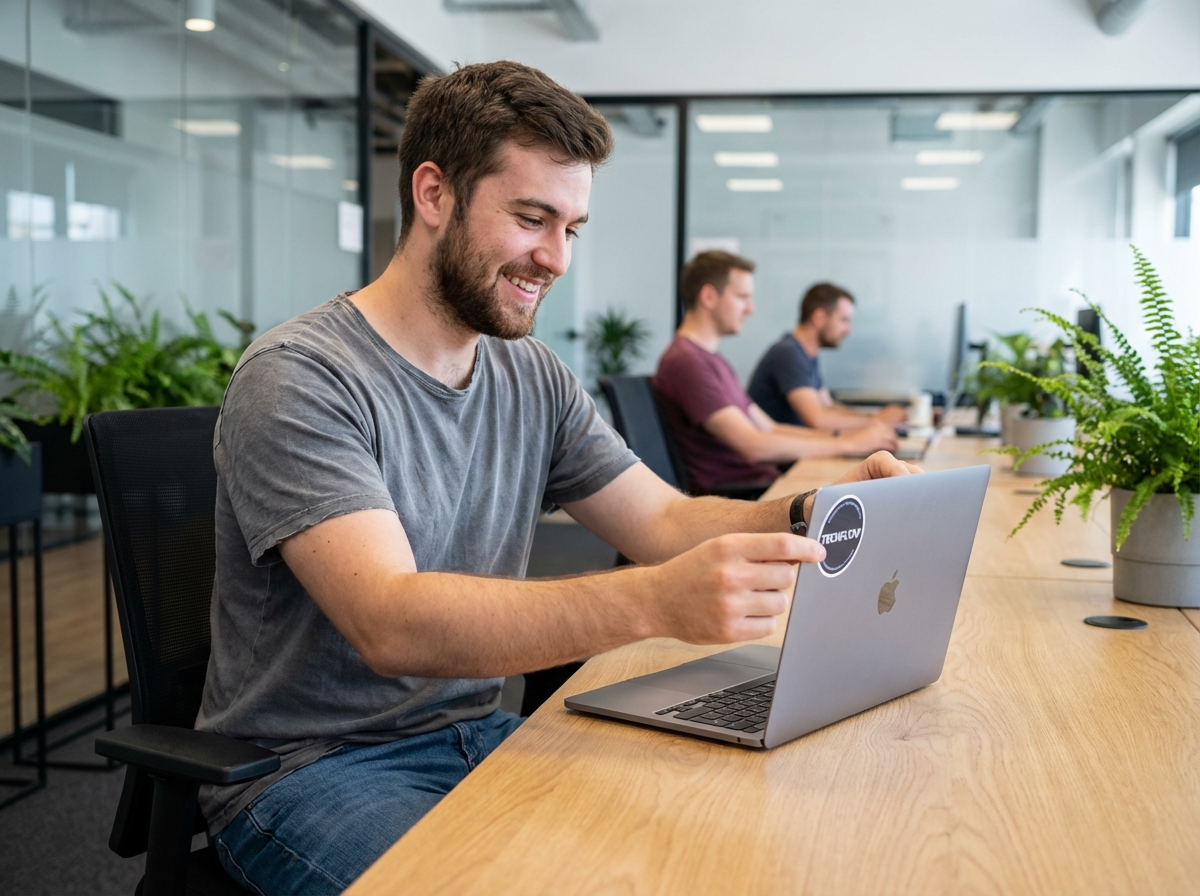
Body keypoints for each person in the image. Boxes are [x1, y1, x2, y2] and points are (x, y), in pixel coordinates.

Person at [196, 62, 917, 896]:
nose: (556, 258)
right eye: (532, 219)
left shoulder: (528, 374)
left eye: (572, 227)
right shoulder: (302, 377)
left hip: (470, 735)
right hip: (304, 772)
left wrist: (810, 510)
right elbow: (391, 622)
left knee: (706, 846)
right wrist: (652, 603)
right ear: (434, 194)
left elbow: (666, 523)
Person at [652, 252, 899, 494]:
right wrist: (848, 443)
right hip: (742, 495)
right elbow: (753, 445)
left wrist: (845, 437)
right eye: (742, 297)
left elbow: (768, 428)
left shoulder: (712, 360)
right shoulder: (687, 363)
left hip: (763, 481)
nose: (751, 308)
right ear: (708, 296)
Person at [748, 283, 908, 431]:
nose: (848, 330)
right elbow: (818, 419)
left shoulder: (806, 354)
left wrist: (874, 418)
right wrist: (877, 421)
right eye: (843, 320)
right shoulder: (787, 353)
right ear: (819, 318)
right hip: (778, 460)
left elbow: (827, 406)